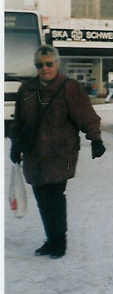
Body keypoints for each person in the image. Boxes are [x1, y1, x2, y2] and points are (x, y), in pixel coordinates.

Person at [9, 46, 106, 259]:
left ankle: (59, 241)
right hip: (34, 152)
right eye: (40, 65)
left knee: (54, 194)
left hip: (60, 153)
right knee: (41, 195)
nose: (44, 68)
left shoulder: (70, 88)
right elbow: (19, 122)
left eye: (49, 64)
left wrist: (96, 138)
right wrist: (15, 146)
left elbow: (86, 115)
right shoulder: (26, 90)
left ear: (57, 64)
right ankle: (50, 239)